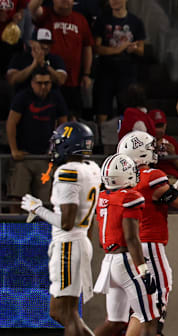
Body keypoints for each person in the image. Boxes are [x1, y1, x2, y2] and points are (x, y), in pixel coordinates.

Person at [82, 130, 178, 336]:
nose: (156, 152)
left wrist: (175, 189)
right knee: (154, 309)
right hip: (146, 248)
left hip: (116, 253)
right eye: (152, 148)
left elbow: (154, 198)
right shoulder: (152, 175)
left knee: (116, 318)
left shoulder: (115, 187)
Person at [20, 122, 117, 336]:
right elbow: (87, 218)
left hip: (68, 243)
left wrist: (38, 209)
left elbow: (66, 221)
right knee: (58, 310)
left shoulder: (68, 172)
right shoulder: (93, 168)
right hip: (78, 241)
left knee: (69, 312)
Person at [83, 153, 160, 336]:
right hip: (126, 262)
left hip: (109, 260)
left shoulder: (103, 196)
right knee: (150, 318)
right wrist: (143, 270)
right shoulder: (130, 197)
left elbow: (101, 238)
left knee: (115, 321)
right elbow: (132, 238)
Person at [6, 67, 68, 213]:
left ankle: (42, 234)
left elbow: (63, 125)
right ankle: (14, 234)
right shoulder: (23, 97)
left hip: (45, 157)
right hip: (24, 156)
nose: (43, 87)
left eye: (46, 83)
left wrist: (56, 150)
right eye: (39, 83)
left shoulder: (56, 97)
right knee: (17, 198)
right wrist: (14, 150)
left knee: (45, 201)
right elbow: (11, 123)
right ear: (32, 83)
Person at [28, 0, 94, 117]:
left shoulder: (80, 19)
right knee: (47, 116)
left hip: (73, 79)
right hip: (48, 80)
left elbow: (87, 47)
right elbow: (32, 8)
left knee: (72, 117)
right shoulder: (45, 14)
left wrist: (86, 74)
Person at [92, 0, 146, 123]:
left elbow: (141, 50)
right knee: (102, 109)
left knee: (128, 110)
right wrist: (119, 49)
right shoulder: (102, 20)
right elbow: (97, 48)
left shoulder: (136, 22)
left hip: (127, 71)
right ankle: (101, 139)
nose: (114, 1)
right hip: (105, 70)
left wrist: (134, 49)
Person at [7, 28, 67, 93]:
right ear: (31, 43)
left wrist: (45, 65)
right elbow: (12, 80)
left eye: (48, 43)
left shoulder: (56, 59)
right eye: (42, 42)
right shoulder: (19, 57)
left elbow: (61, 80)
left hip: (50, 98)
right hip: (24, 97)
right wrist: (33, 65)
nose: (46, 46)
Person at [149, 108, 178, 183]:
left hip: (173, 179)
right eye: (157, 126)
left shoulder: (171, 141)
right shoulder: (145, 142)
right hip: (156, 180)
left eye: (162, 126)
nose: (160, 130)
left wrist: (173, 155)